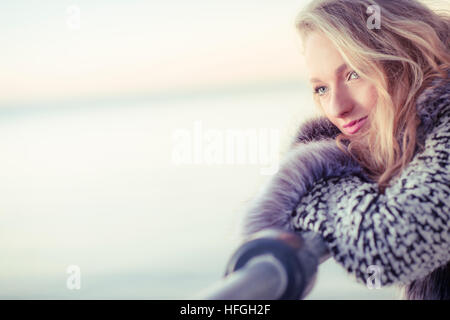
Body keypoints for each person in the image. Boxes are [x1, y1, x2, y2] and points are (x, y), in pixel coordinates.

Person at [242, 0, 449, 299]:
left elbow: (389, 246)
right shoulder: (411, 142)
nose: (337, 108)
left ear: (404, 57)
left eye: (353, 73)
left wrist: (320, 176)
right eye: (321, 89)